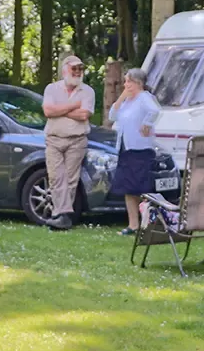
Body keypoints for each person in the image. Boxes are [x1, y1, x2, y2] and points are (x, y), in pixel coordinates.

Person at [41, 55, 95, 231]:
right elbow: (48, 111)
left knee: (70, 179)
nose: (78, 72)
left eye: (80, 69)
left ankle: (61, 216)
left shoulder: (88, 91)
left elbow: (84, 115)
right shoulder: (51, 88)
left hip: (77, 140)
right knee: (56, 177)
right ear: (65, 70)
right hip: (54, 139)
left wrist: (60, 110)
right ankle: (62, 215)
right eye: (74, 69)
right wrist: (73, 106)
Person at [107, 67, 161, 236]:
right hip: (126, 148)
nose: (125, 84)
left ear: (137, 83)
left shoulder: (144, 98)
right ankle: (133, 225)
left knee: (140, 187)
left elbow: (155, 111)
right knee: (128, 187)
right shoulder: (127, 101)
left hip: (140, 149)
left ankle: (147, 224)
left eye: (128, 81)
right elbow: (112, 116)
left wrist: (146, 123)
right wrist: (122, 96)